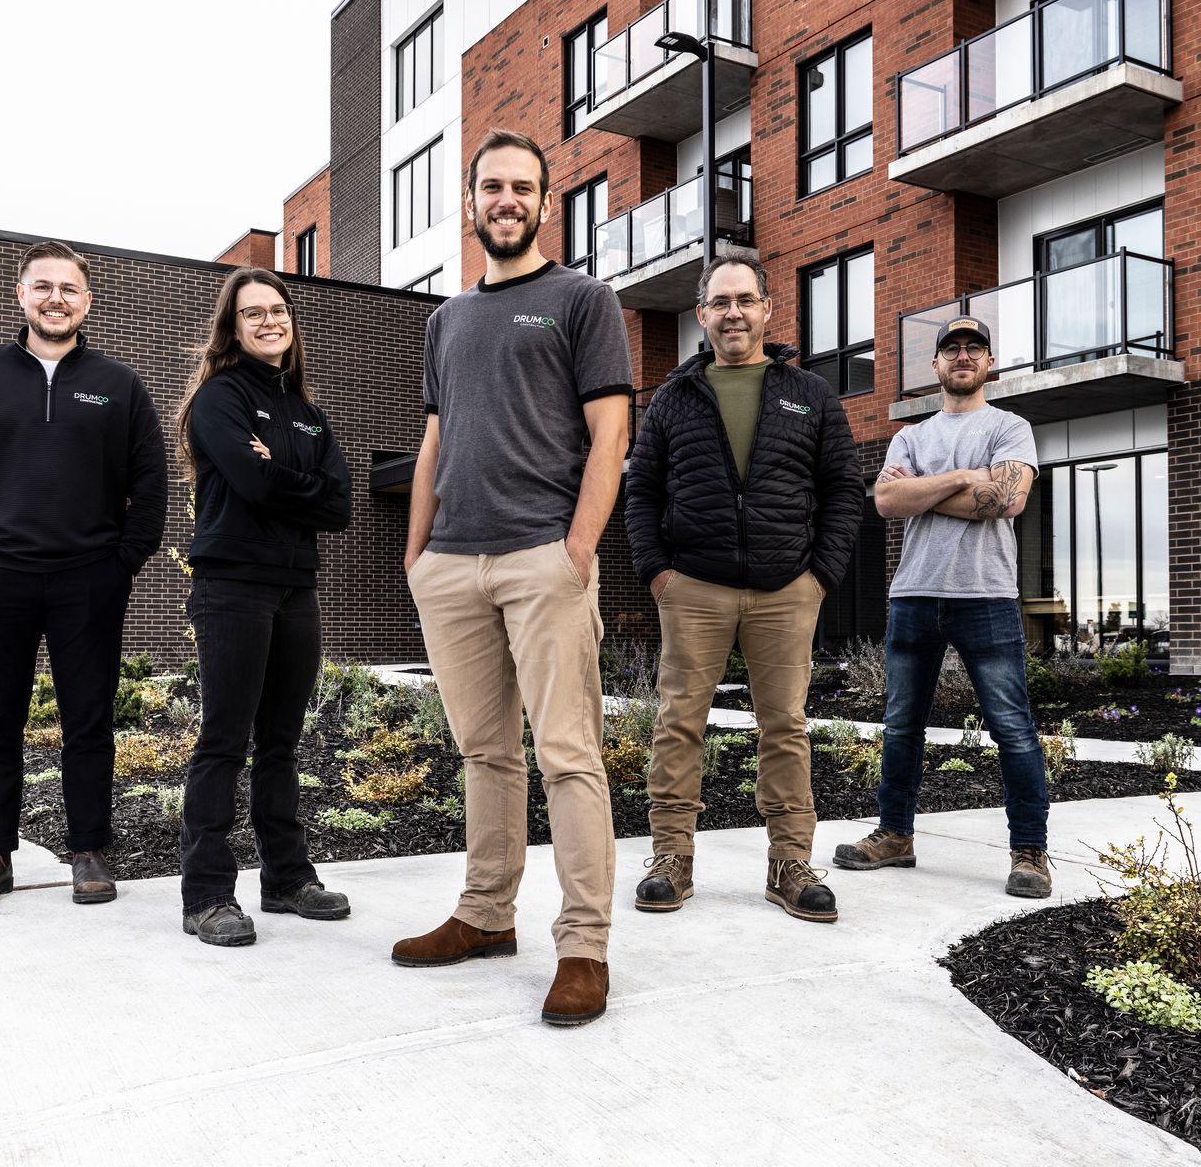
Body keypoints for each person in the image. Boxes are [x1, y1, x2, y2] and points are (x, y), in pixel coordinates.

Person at [391, 129, 632, 1027]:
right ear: (470, 202)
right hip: (451, 564)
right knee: (484, 752)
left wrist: (576, 550)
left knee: (568, 754)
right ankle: (487, 915)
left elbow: (610, 434)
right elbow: (434, 442)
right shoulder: (445, 320)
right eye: (490, 186)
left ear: (543, 200)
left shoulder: (582, 299)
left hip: (543, 556)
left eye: (522, 187)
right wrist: (415, 556)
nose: (506, 199)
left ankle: (583, 946)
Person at [0, 239, 168, 908]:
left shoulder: (119, 385)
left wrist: (124, 562)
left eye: (69, 288)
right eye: (43, 286)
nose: (55, 297)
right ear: (21, 295)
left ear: (88, 301)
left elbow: (150, 480)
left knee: (89, 721)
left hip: (90, 579)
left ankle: (89, 851)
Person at [624, 256, 862, 921]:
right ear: (701, 314)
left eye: (745, 299)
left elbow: (844, 489)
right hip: (692, 586)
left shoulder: (809, 393)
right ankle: (672, 857)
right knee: (678, 722)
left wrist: (820, 577)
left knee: (784, 724)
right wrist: (659, 575)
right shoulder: (672, 397)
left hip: (787, 587)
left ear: (767, 308)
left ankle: (790, 862)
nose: (733, 312)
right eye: (720, 301)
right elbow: (640, 491)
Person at [832, 315, 1052, 898]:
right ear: (935, 365)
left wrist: (921, 493)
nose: (962, 356)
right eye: (950, 349)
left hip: (986, 596)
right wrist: (961, 478)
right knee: (902, 725)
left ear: (988, 362)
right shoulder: (910, 435)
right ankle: (895, 835)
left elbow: (1006, 500)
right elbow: (883, 500)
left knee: (1013, 728)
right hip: (914, 593)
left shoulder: (1011, 426)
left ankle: (1029, 852)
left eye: (972, 348)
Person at [173, 266, 353, 947]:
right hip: (231, 587)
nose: (269, 321)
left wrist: (279, 470)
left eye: (278, 310)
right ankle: (208, 893)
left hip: (295, 586)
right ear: (234, 327)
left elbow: (338, 504)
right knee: (224, 738)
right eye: (254, 313)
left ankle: (286, 878)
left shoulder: (309, 412)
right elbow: (248, 482)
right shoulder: (219, 397)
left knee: (281, 741)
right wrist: (292, 476)